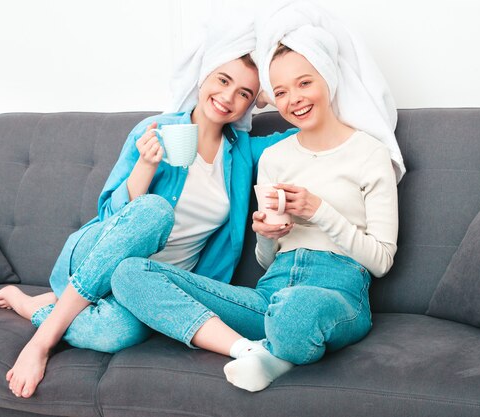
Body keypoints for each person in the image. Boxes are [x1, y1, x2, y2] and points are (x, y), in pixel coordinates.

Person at [0, 14, 296, 399]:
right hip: (92, 256)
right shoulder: (154, 130)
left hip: (143, 283)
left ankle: (34, 304)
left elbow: (309, 129)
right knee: (155, 212)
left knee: (117, 333)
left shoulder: (244, 154)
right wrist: (146, 168)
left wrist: (276, 88)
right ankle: (41, 341)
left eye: (245, 93)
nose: (229, 97)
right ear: (204, 77)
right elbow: (111, 220)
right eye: (223, 80)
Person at [110, 0, 405, 392]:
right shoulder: (275, 157)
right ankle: (253, 351)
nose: (293, 99)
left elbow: (382, 261)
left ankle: (277, 343)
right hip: (270, 295)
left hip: (338, 293)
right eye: (280, 92)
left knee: (296, 312)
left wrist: (320, 212)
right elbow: (267, 262)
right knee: (129, 272)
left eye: (304, 83)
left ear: (328, 79)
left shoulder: (369, 153)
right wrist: (267, 234)